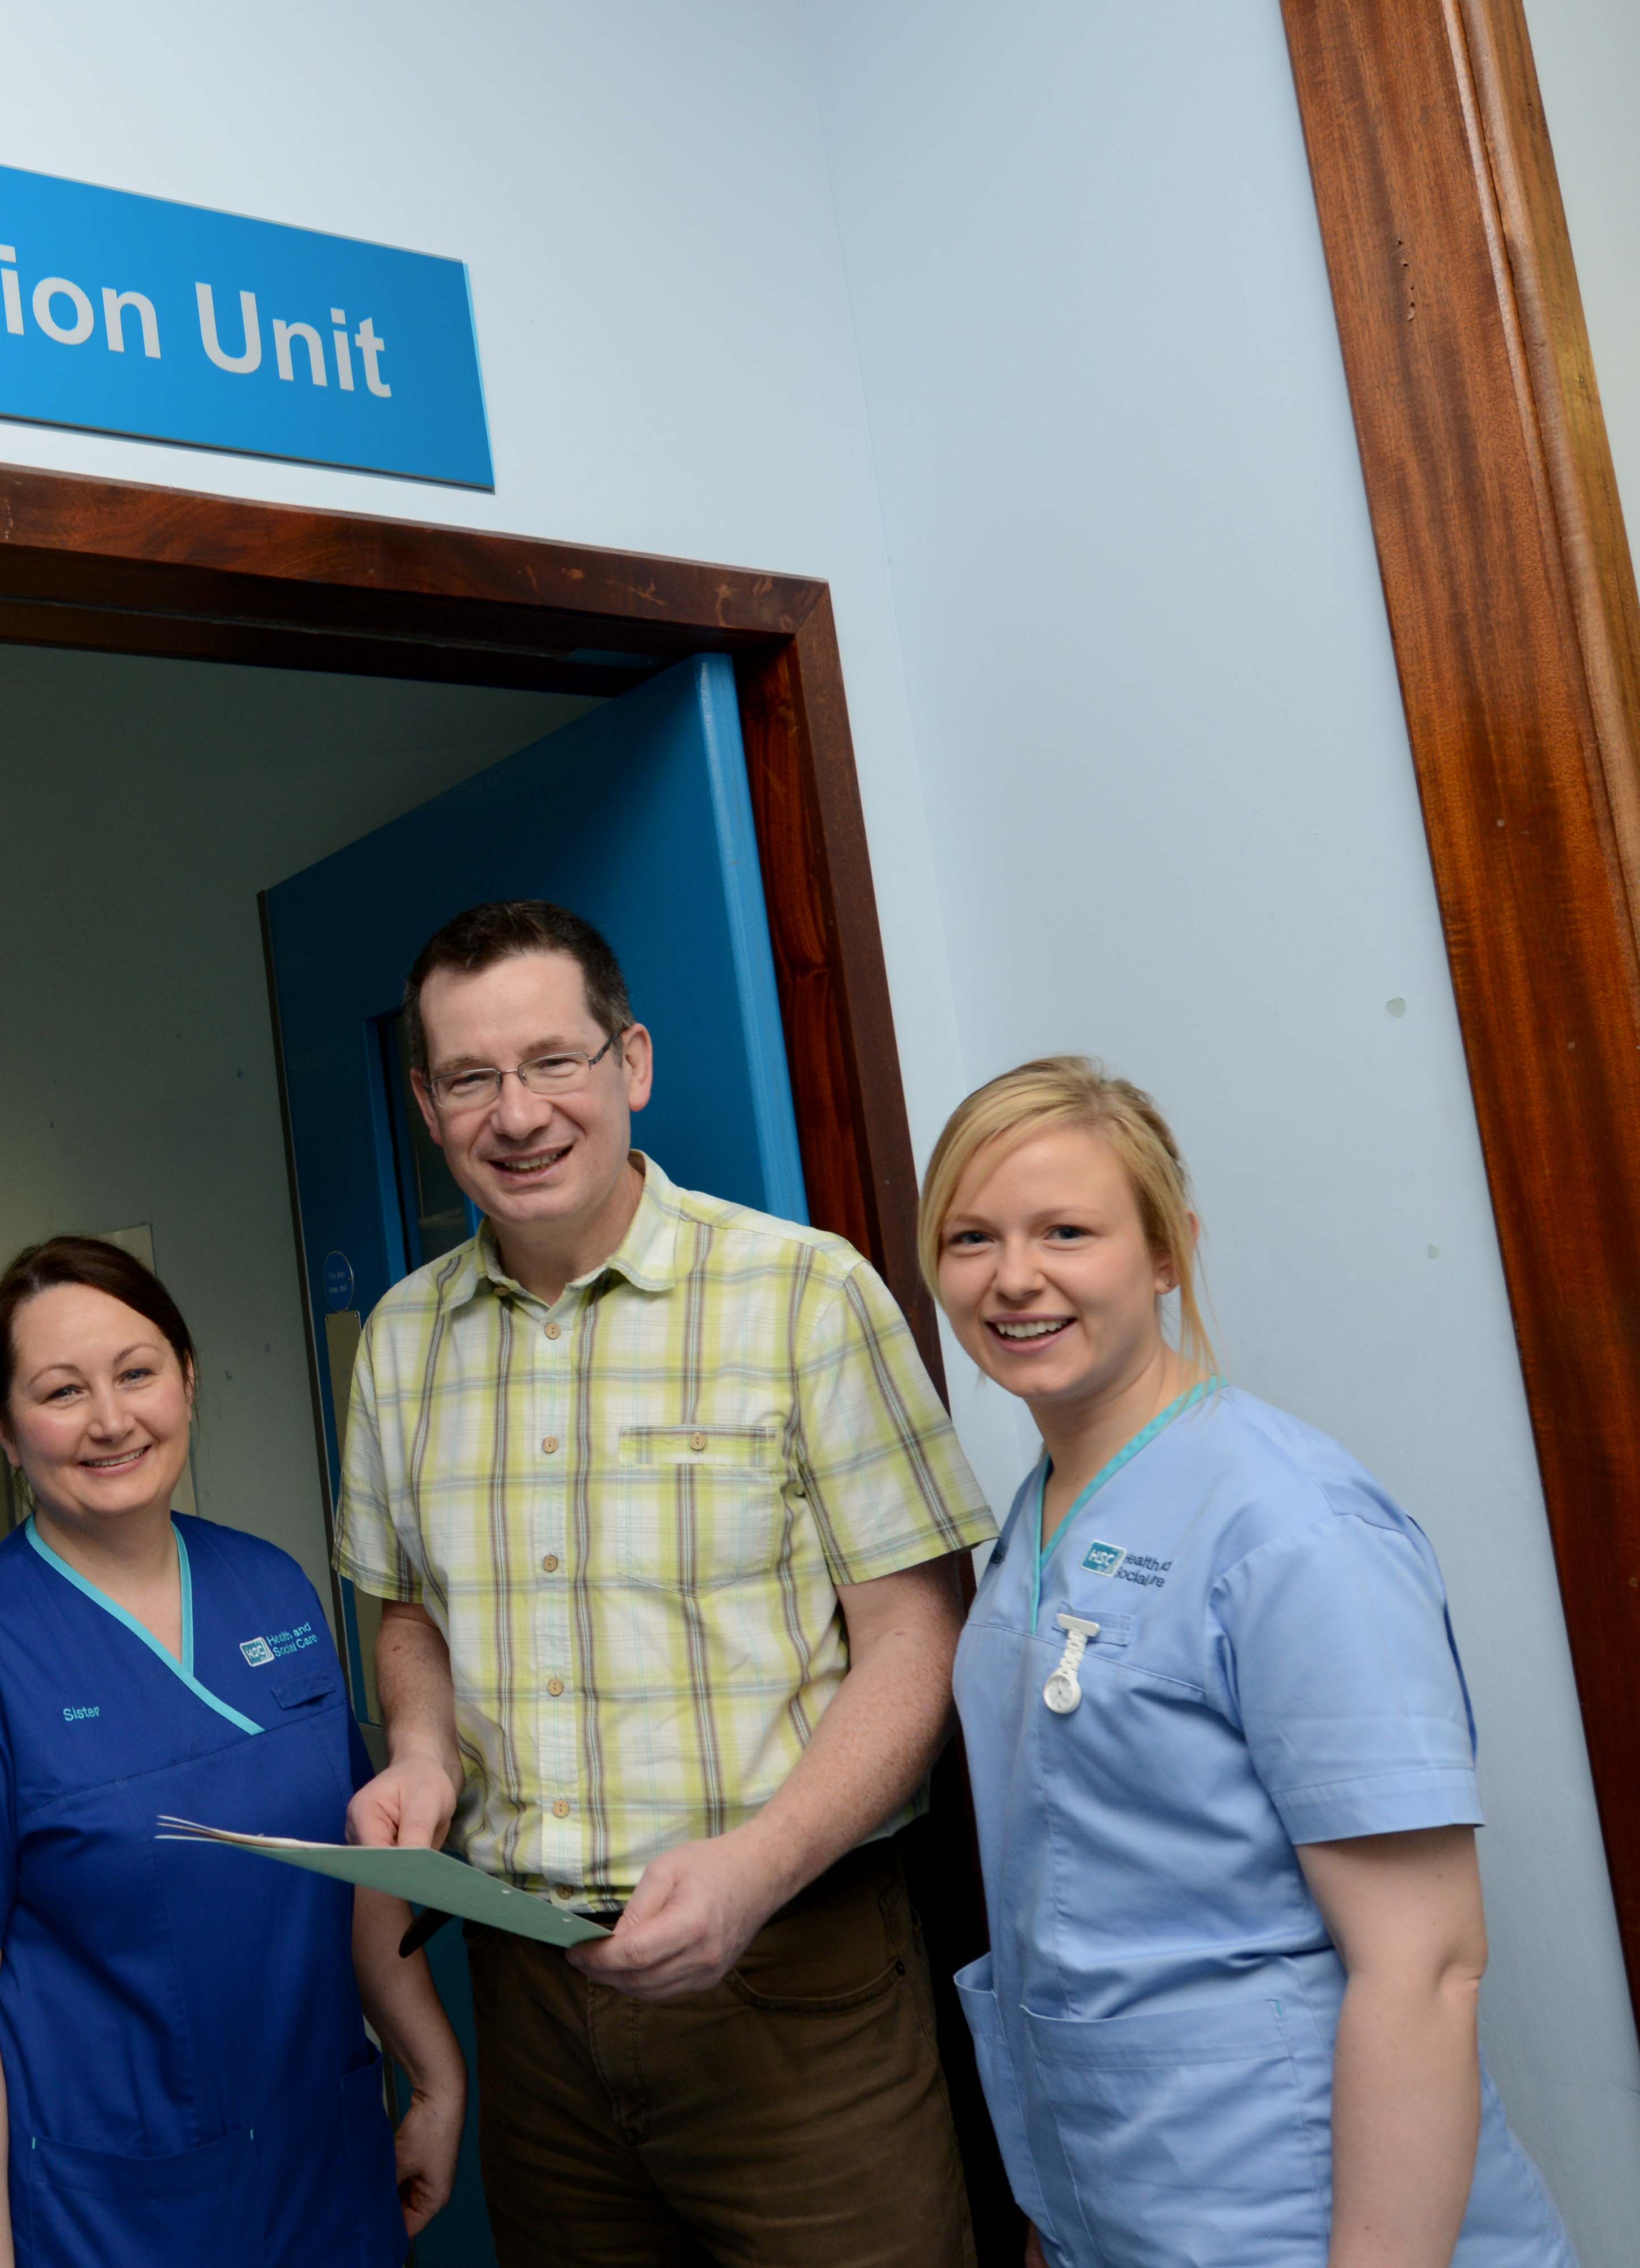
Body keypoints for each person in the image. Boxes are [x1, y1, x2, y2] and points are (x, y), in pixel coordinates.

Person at [337, 898, 997, 2268]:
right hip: (532, 1993)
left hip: (794, 1979)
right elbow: (407, 1606)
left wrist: (760, 1866)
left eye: (553, 1062)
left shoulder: (805, 1296)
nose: (515, 1114)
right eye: (469, 1077)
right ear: (425, 1102)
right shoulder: (402, 1341)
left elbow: (917, 1635)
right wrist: (419, 1751)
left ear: (629, 1064)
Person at [922, 1056, 1576, 2268]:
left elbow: (1424, 1965)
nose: (1014, 1277)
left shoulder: (1290, 1528)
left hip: (1304, 2218)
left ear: (1166, 1251)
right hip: (1124, 2206)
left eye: (1066, 1230)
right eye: (971, 1237)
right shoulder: (1043, 1519)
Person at [0, 1236, 462, 2268]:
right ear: (4, 1426)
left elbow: (352, 1868)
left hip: (328, 2163)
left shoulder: (273, 1587)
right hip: (118, 2203)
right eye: (60, 1390)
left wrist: (435, 2068)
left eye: (137, 1372)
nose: (110, 1419)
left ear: (186, 1376)